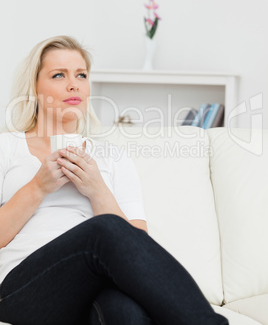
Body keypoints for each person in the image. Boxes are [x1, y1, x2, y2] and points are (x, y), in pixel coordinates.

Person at [0, 36, 228, 325]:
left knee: (125, 313)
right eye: (59, 75)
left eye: (81, 75)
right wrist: (38, 187)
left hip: (93, 288)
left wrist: (97, 190)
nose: (74, 85)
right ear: (33, 87)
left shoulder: (112, 157)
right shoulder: (7, 147)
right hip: (25, 290)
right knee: (103, 229)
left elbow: (136, 250)